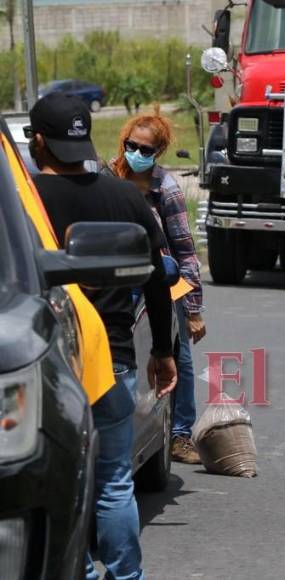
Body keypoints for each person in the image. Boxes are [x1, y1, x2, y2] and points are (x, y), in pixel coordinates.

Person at [29, 92, 177, 580]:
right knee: (114, 481)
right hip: (113, 360)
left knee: (53, 486)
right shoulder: (126, 196)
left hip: (42, 365)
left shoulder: (25, 201)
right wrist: (162, 350)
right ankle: (124, 575)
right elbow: (158, 280)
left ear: (37, 141)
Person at [106, 108, 206, 464]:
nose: (136, 153)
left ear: (158, 152)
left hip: (162, 280)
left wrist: (193, 310)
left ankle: (179, 434)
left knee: (178, 355)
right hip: (117, 283)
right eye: (131, 145)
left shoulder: (166, 188)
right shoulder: (107, 178)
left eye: (145, 150)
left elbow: (185, 251)